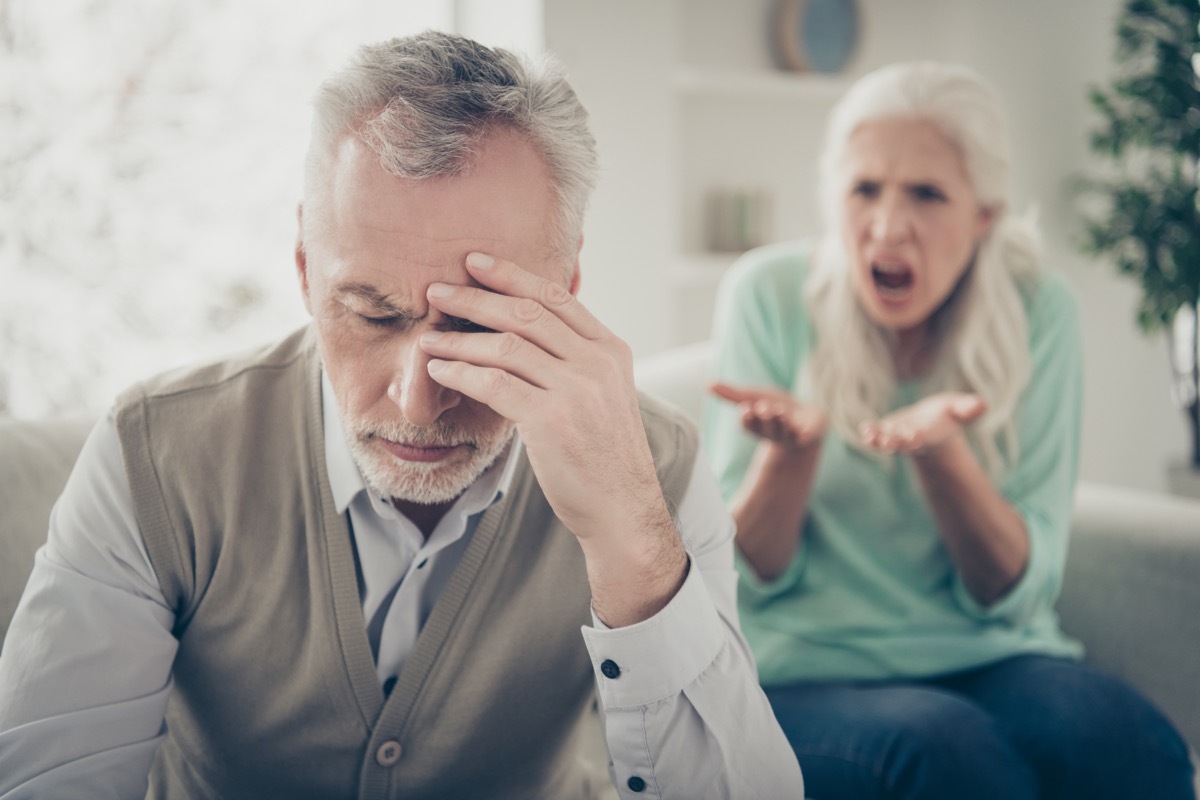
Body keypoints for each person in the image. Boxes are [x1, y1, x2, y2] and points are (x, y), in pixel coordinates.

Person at [0, 32, 804, 799]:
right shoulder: (154, 453)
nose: (418, 401)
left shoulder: (654, 466)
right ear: (307, 268)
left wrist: (634, 544)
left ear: (567, 284)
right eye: (373, 316)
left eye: (477, 325)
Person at [704, 61, 1195, 800]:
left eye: (927, 194)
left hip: (992, 654)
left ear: (983, 215)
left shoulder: (1040, 311)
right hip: (802, 666)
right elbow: (743, 572)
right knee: (945, 753)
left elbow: (1019, 588)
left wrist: (942, 457)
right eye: (865, 188)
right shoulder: (765, 295)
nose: (888, 225)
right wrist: (792, 455)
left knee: (1123, 738)